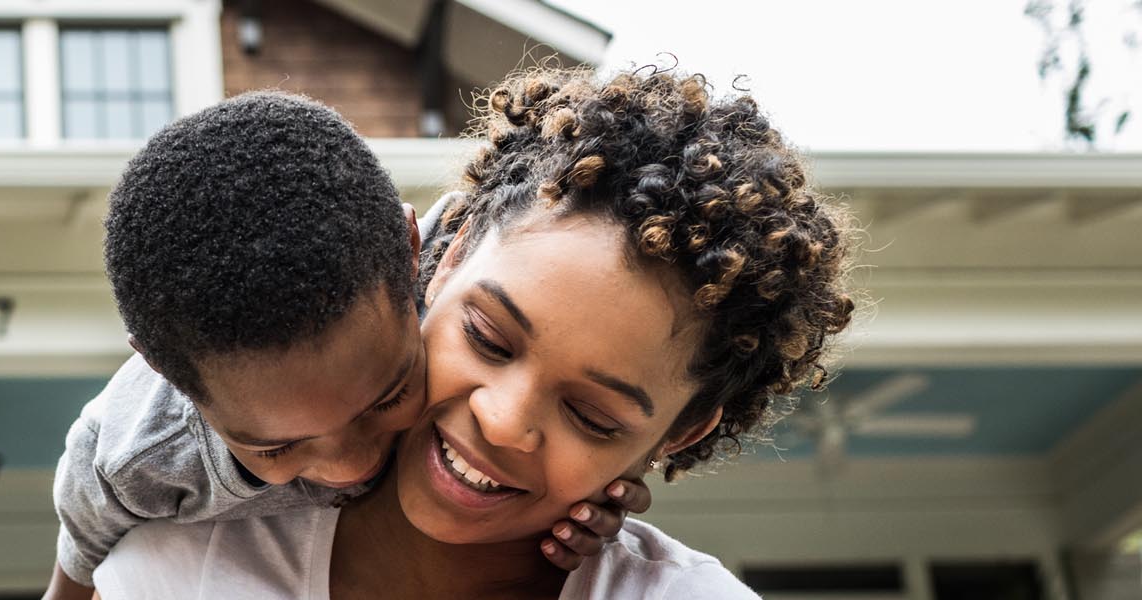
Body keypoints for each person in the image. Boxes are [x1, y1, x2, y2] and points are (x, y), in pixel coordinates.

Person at [90, 67, 858, 599]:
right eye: (489, 338)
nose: (501, 420)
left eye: (591, 416)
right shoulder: (172, 573)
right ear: (444, 260)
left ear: (680, 433)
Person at [44, 92, 652, 600]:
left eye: (386, 397)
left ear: (418, 258)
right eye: (279, 446)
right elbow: (78, 556)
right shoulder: (141, 458)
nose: (352, 466)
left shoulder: (468, 269)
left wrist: (597, 468)